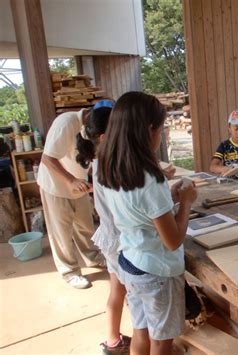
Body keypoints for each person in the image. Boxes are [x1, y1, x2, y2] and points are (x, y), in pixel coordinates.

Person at [97, 91, 197, 355]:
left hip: (130, 262)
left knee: (141, 331)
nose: (162, 135)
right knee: (162, 341)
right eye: (161, 129)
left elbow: (139, 210)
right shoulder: (150, 179)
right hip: (157, 272)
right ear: (149, 130)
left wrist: (168, 198)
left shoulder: (112, 167)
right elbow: (173, 240)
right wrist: (185, 202)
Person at [75, 101, 132, 354]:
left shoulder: (98, 160)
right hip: (121, 240)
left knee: (117, 290)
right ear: (106, 135)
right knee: (138, 296)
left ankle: (113, 341)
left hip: (110, 236)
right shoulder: (112, 164)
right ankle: (150, 344)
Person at [37, 104, 105, 289]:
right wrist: (71, 181)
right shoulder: (65, 123)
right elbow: (47, 159)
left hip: (78, 185)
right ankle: (69, 271)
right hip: (56, 187)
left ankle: (93, 258)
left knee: (85, 226)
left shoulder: (93, 126)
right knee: (61, 232)